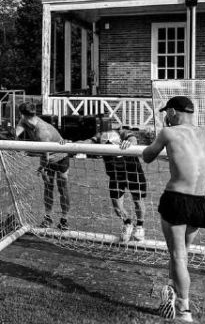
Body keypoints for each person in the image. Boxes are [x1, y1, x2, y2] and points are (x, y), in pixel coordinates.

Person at [143, 96, 205, 324]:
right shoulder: (203, 134)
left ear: (172, 112)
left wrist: (162, 131)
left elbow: (148, 156)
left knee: (177, 256)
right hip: (199, 202)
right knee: (182, 254)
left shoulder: (168, 132)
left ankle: (184, 309)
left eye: (167, 113)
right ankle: (172, 292)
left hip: (177, 199)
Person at [79, 126, 147, 242]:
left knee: (138, 202)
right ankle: (128, 223)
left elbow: (133, 139)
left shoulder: (122, 132)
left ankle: (140, 227)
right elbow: (85, 143)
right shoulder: (99, 136)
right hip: (115, 175)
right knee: (117, 207)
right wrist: (67, 142)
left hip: (133, 173)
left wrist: (129, 143)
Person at [15, 101, 71, 230]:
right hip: (46, 157)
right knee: (48, 187)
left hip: (60, 158)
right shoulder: (24, 121)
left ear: (22, 114)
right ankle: (48, 217)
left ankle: (64, 219)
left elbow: (45, 157)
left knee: (63, 188)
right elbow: (14, 134)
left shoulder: (42, 131)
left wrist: (42, 168)